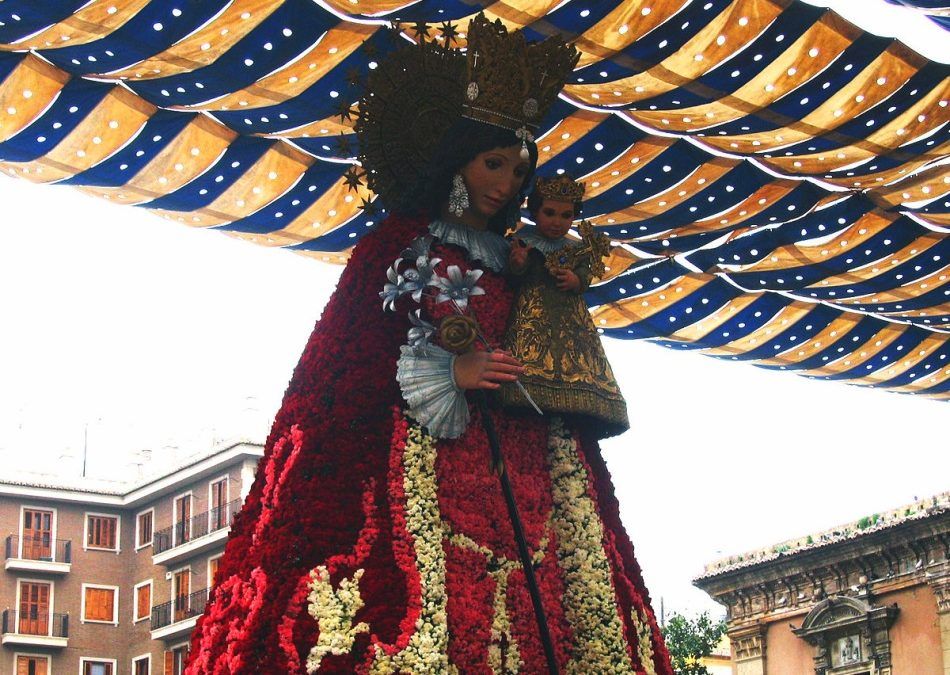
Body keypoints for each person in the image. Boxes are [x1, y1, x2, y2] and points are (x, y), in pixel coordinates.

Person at [187, 15, 671, 674]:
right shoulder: (399, 245)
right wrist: (451, 372)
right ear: (455, 159)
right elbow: (352, 364)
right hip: (428, 470)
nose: (506, 183)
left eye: (518, 169)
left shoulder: (518, 261)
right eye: (493, 162)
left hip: (530, 474)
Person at [501, 174, 629, 438]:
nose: (557, 222)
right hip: (532, 313)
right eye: (549, 213)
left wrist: (576, 280)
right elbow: (514, 277)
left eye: (565, 215)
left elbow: (585, 276)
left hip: (571, 319)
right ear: (535, 211)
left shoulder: (576, 249)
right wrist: (518, 263)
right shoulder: (524, 240)